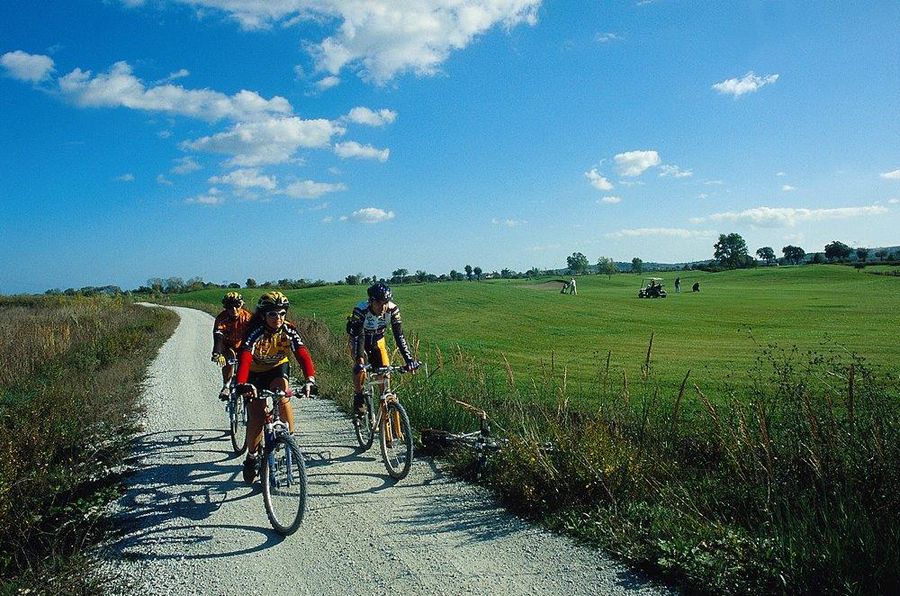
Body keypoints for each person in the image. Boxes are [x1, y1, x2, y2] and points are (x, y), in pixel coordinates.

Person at [235, 291, 317, 484]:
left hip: (276, 368)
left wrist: (310, 380)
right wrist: (241, 384)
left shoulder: (289, 330)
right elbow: (245, 356)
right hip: (253, 373)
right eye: (273, 314)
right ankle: (252, 457)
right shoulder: (254, 330)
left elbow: (302, 354)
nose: (278, 318)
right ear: (263, 315)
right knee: (257, 415)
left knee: (283, 394)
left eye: (282, 313)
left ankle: (290, 440)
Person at [346, 283, 420, 416]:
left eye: (386, 302)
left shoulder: (392, 310)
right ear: (371, 301)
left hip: (377, 340)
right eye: (379, 303)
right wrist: (359, 361)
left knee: (385, 373)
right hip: (359, 339)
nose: (383, 307)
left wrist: (408, 359)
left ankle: (384, 411)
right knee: (360, 368)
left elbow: (399, 336)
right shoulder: (361, 310)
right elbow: (358, 337)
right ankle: (358, 396)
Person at [211, 292, 252, 401]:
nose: (233, 309)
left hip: (243, 345)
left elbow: (255, 336)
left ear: (241, 305)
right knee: (229, 357)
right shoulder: (221, 318)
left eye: (237, 305)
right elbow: (218, 337)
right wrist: (217, 353)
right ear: (225, 308)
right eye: (229, 307)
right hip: (227, 345)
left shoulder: (247, 317)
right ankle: (226, 385)